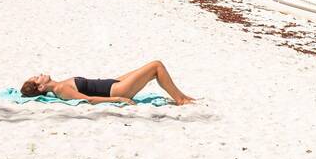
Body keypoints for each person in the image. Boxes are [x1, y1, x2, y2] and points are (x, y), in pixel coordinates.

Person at [20, 60, 194, 105]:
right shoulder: (61, 89)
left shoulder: (60, 85)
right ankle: (180, 100)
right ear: (41, 87)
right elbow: (88, 99)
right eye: (36, 78)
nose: (39, 74)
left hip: (113, 83)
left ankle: (182, 96)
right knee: (156, 66)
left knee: (150, 70)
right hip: (117, 91)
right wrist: (118, 99)